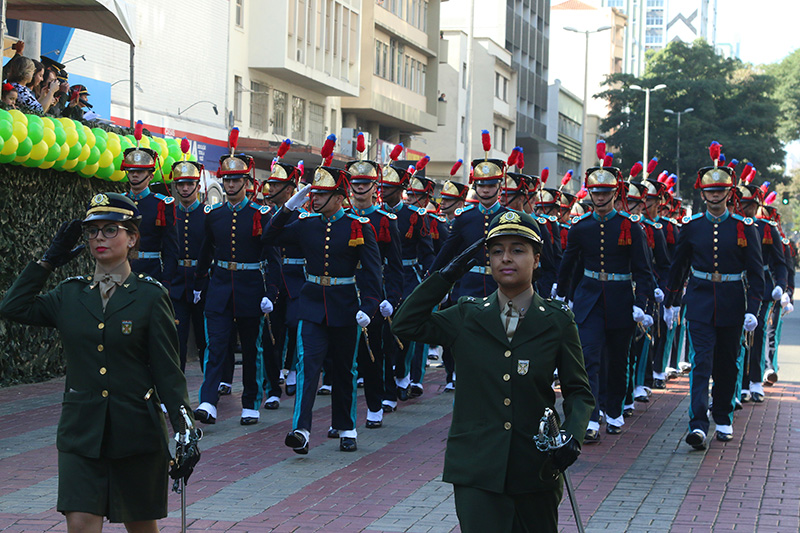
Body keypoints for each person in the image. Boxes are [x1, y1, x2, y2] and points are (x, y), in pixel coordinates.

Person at [0, 192, 198, 532]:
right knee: (80, 524)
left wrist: (185, 428)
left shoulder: (150, 296)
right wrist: (48, 261)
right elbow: (13, 307)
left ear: (132, 237)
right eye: (92, 231)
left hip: (136, 432)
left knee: (141, 527)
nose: (99, 238)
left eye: (110, 230)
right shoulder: (69, 293)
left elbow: (167, 370)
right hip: (82, 433)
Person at [392, 210, 594, 533]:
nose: (506, 258)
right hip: (477, 469)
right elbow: (404, 323)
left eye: (517, 249)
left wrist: (573, 434)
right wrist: (446, 275)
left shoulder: (557, 321)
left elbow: (578, 391)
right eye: (497, 251)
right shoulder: (466, 316)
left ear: (536, 258)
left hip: (535, 470)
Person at [263, 157, 383, 454]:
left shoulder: (358, 226)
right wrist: (290, 205)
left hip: (345, 305)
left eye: (320, 193)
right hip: (313, 304)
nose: (314, 198)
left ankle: (347, 426)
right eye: (313, 193)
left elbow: (372, 272)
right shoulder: (306, 224)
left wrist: (368, 308)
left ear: (340, 196)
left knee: (345, 369)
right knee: (308, 367)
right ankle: (301, 429)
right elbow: (269, 237)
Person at [664, 143, 764, 448]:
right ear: (702, 193)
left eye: (721, 189)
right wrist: (670, 301)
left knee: (727, 364)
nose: (715, 195)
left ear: (729, 192)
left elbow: (756, 272)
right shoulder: (692, 227)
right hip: (700, 302)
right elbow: (678, 266)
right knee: (700, 362)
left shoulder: (744, 228)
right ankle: (697, 424)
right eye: (710, 190)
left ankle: (722, 415)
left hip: (734, 302)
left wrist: (754, 309)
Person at [555, 157, 652, 442]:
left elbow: (643, 269)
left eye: (605, 192)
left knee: (618, 361)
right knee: (589, 358)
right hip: (589, 300)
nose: (599, 197)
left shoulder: (630, 227)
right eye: (595, 192)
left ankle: (614, 409)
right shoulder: (581, 226)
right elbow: (569, 264)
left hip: (621, 300)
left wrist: (642, 304)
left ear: (615, 193)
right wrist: (563, 295)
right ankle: (591, 417)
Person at [193, 134, 281, 426]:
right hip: (219, 288)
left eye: (236, 180)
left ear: (247, 182)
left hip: (250, 288)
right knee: (215, 345)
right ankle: (208, 400)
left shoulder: (261, 214)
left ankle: (250, 401)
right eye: (227, 180)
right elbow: (205, 253)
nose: (230, 185)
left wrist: (272, 292)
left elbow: (273, 257)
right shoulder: (214, 215)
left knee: (252, 346)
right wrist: (198, 285)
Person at [345, 145, 404, 429]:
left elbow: (394, 264)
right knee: (344, 354)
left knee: (373, 352)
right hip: (344, 289)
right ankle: (343, 415)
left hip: (373, 289)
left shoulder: (385, 220)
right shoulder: (341, 218)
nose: (359, 189)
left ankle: (375, 403)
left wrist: (391, 297)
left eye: (364, 184)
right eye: (355, 184)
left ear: (374, 187)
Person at [121, 127, 179, 287]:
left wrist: (166, 281)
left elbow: (170, 248)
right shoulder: (121, 201)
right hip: (121, 270)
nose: (134, 175)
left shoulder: (162, 204)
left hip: (150, 272)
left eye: (140, 172)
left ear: (150, 176)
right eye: (131, 170)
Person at [168, 141, 208, 372]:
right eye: (180, 184)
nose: (184, 189)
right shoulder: (170, 213)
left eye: (189, 184)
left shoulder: (207, 214)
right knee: (177, 337)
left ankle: (211, 384)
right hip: (177, 282)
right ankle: (177, 382)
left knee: (204, 338)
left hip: (201, 280)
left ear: (197, 186)